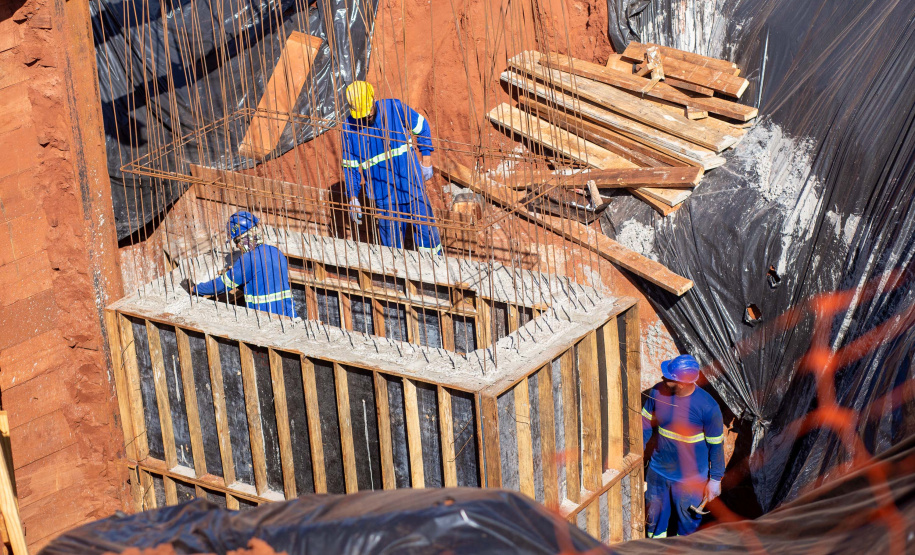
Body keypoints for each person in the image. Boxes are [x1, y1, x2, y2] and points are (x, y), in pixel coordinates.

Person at [341, 81, 442, 254]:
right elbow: (350, 167)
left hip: (412, 186)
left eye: (369, 112)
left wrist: (426, 160)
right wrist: (352, 197)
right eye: (362, 116)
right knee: (391, 247)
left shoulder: (394, 108)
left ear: (373, 100)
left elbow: (422, 127)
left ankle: (434, 272)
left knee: (428, 237)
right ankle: (398, 278)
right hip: (384, 196)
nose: (367, 118)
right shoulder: (349, 129)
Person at [641, 354, 724, 538]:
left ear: (681, 383)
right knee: (653, 522)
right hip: (658, 472)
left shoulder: (708, 408)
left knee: (688, 529)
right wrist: (638, 453)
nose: (663, 378)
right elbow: (645, 424)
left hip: (690, 480)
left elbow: (716, 446)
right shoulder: (656, 393)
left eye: (668, 377)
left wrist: (716, 479)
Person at [191, 211, 295, 318]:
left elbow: (222, 285)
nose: (237, 246)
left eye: (236, 242)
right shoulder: (276, 252)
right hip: (289, 315)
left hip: (266, 318)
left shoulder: (248, 259)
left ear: (242, 239)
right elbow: (262, 280)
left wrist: (196, 289)